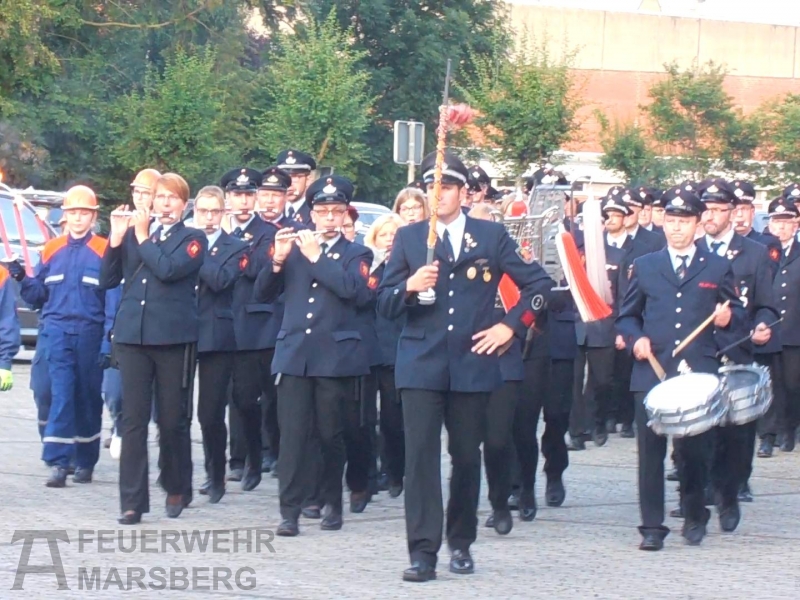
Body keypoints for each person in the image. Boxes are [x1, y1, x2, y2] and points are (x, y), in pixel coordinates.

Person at [377, 150, 555, 582]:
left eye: (449, 188)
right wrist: (408, 286)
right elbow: (382, 303)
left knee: (465, 457)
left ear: (463, 192)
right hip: (421, 362)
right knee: (419, 459)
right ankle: (422, 551)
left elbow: (539, 285)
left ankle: (461, 542)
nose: (440, 197)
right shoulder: (409, 237)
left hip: (473, 362)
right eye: (432, 189)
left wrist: (510, 328)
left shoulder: (490, 237)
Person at [616, 186, 747, 550]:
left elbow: (737, 314)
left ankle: (694, 513)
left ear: (697, 223)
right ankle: (652, 527)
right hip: (651, 371)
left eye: (684, 221)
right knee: (650, 451)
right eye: (671, 221)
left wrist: (725, 318)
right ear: (663, 223)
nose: (676, 228)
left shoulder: (717, 266)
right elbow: (626, 318)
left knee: (693, 452)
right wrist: (635, 339)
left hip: (696, 373)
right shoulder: (645, 266)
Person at [254, 174, 373, 537]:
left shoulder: (356, 253)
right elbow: (262, 294)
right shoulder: (294, 247)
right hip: (294, 353)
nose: (329, 218)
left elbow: (355, 292)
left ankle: (330, 501)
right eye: (322, 211)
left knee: (329, 434)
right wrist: (276, 260)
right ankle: (288, 510)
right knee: (292, 436)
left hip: (333, 356)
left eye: (337, 212)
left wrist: (318, 256)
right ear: (311, 214)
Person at [100, 173, 206, 524]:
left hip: (172, 339)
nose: (164, 203)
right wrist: (115, 241)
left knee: (173, 420)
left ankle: (176, 485)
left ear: (184, 204)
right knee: (132, 421)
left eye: (172, 198)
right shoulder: (134, 234)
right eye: (159, 197)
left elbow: (167, 269)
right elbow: (108, 279)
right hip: (133, 337)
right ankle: (131, 502)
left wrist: (142, 235)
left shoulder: (193, 238)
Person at [690, 178, 777, 529]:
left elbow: (766, 305)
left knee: (737, 435)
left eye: (716, 210)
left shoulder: (753, 253)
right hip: (699, 353)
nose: (709, 216)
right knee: (697, 432)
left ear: (732, 212)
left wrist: (763, 325)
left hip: (738, 351)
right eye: (705, 209)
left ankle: (730, 493)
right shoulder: (692, 248)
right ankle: (698, 496)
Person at [14, 185, 107, 487]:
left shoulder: (104, 251)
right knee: (61, 394)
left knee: (88, 397)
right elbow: (38, 296)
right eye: (73, 213)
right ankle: (58, 461)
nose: (78, 219)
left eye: (84, 213)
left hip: (90, 333)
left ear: (93, 217)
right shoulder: (52, 249)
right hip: (56, 331)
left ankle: (85, 460)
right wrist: (20, 277)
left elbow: (111, 300)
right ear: (65, 217)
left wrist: (109, 339)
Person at [194, 186, 248, 504]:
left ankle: (216, 475)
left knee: (210, 413)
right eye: (203, 211)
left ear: (224, 213)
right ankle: (171, 470)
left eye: (215, 211)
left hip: (217, 335)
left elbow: (221, 281)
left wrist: (195, 250)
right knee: (174, 411)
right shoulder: (180, 240)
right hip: (182, 330)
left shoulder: (236, 247)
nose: (209, 217)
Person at [224, 167, 276, 491]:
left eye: (247, 195)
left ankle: (262, 456)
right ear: (228, 198)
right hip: (228, 325)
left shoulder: (267, 232)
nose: (242, 201)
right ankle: (241, 457)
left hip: (260, 326)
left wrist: (231, 258)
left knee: (265, 398)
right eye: (236, 195)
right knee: (239, 399)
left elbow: (258, 269)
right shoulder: (218, 231)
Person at [572, 196, 630, 447]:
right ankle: (577, 432)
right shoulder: (574, 255)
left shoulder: (618, 255)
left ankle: (598, 421)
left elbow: (624, 294)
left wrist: (620, 329)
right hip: (575, 325)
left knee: (602, 380)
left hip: (604, 324)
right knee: (573, 382)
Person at [255, 166, 298, 475]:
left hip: (284, 318)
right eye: (265, 195)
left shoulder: (297, 230)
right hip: (251, 320)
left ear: (286, 197)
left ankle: (279, 449)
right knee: (248, 394)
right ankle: (254, 451)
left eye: (276, 195)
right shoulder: (246, 230)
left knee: (278, 392)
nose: (270, 201)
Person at [365, 213, 406, 498]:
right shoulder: (366, 266)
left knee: (393, 419)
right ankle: (369, 471)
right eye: (384, 235)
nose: (389, 240)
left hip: (395, 350)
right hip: (367, 350)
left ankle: (395, 471)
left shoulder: (407, 268)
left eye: (395, 235)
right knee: (365, 418)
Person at [759, 197, 800, 454]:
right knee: (768, 384)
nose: (780, 228)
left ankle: (789, 428)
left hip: (795, 330)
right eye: (776, 221)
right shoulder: (760, 251)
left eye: (786, 222)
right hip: (767, 330)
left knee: (792, 385)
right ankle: (767, 436)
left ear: (795, 225)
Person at [277, 149, 317, 226]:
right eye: (284, 178)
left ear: (308, 180)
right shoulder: (274, 210)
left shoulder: (316, 211)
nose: (289, 184)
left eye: (295, 178)